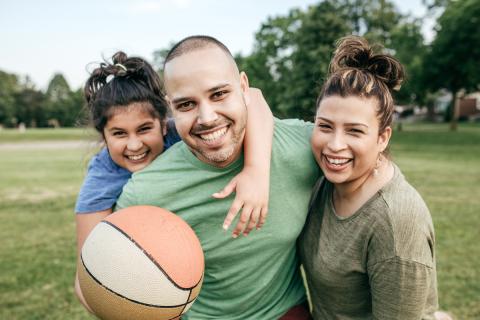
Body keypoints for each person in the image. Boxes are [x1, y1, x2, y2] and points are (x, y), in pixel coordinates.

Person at [115, 35, 319, 319]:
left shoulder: (304, 146)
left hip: (284, 311)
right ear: (170, 106)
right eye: (187, 104)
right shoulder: (146, 191)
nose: (207, 117)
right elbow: (109, 276)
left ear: (244, 87)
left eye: (219, 94)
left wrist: (257, 171)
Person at [74, 50, 274, 314]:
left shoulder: (183, 134)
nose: (134, 144)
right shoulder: (101, 178)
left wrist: (256, 171)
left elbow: (255, 97)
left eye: (144, 129)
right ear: (103, 135)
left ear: (163, 123)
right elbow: (85, 278)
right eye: (119, 134)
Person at [299, 36, 443, 319]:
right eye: (325, 126)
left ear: (382, 137)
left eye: (354, 131)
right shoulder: (323, 179)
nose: (335, 145)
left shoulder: (397, 223)